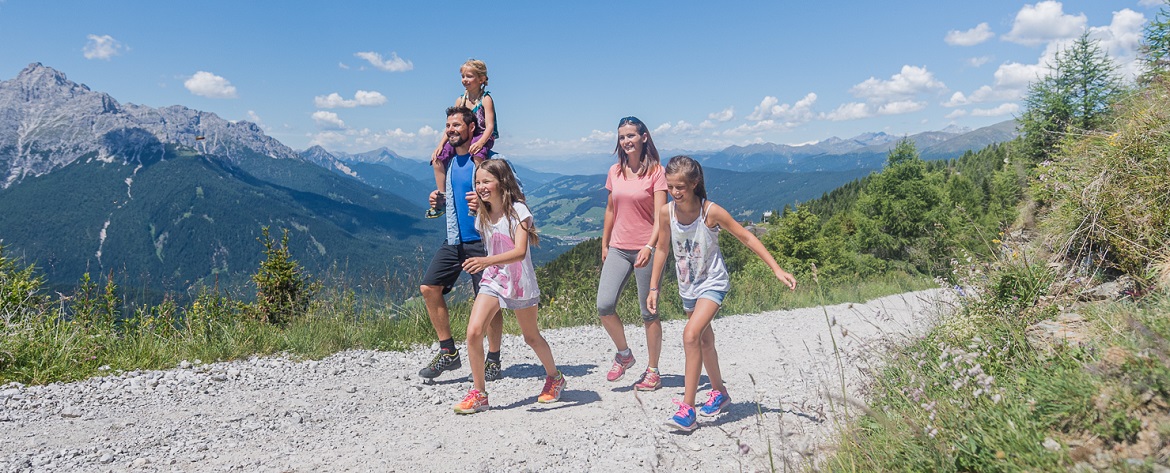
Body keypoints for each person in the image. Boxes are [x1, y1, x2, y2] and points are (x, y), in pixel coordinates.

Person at [647, 155, 797, 431]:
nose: (675, 192)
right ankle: (720, 392)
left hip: (713, 283)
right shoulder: (666, 212)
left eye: (680, 187)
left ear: (694, 184)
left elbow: (747, 236)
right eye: (671, 186)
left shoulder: (710, 212)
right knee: (704, 341)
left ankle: (687, 408)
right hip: (687, 286)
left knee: (690, 335)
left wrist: (776, 269)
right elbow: (663, 248)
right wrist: (653, 286)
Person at [454, 159, 565, 414]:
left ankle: (554, 377)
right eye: (478, 182)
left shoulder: (519, 212)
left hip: (519, 281)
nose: (481, 187)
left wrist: (484, 261)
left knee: (531, 337)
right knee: (473, 332)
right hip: (493, 279)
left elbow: (519, 252)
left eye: (486, 182)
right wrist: (487, 265)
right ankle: (479, 393)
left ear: (501, 182)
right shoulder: (483, 213)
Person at [418, 106, 505, 382]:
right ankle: (449, 353)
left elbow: (514, 199)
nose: (451, 130)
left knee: (488, 302)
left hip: (483, 241)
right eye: (448, 126)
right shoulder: (451, 164)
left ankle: (493, 358)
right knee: (429, 288)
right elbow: (450, 204)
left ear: (471, 129)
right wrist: (439, 201)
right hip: (455, 240)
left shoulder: (490, 161)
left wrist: (486, 203)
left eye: (457, 125)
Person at [596, 116, 668, 391]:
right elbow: (611, 209)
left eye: (631, 136)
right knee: (604, 305)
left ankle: (653, 371)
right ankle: (624, 354)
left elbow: (662, 216)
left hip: (646, 249)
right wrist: (605, 243)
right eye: (622, 137)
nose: (626, 141)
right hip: (618, 246)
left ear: (644, 137)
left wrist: (650, 247)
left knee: (648, 312)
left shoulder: (657, 172)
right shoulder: (615, 171)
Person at [428, 59, 499, 219]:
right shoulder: (460, 100)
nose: (464, 80)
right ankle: (443, 197)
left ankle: (478, 197)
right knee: (438, 158)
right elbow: (453, 126)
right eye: (463, 76)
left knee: (477, 154)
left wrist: (481, 142)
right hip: (464, 136)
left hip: (482, 135)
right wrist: (440, 145)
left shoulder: (486, 99)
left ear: (481, 79)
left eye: (469, 76)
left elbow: (489, 126)